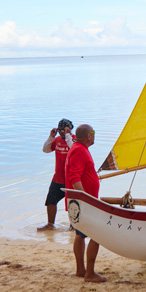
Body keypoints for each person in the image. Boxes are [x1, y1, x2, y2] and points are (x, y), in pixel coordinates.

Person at [65, 123, 105, 283]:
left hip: (79, 201)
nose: (94, 135)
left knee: (80, 234)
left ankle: (81, 270)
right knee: (98, 233)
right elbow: (74, 177)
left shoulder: (78, 148)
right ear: (89, 136)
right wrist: (86, 200)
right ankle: (89, 273)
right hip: (83, 202)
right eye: (93, 133)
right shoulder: (79, 150)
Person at [38, 118, 74, 231]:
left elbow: (73, 149)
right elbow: (46, 150)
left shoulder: (74, 140)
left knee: (72, 204)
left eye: (63, 130)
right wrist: (51, 137)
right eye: (60, 131)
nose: (61, 133)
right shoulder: (57, 139)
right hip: (57, 178)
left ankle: (74, 226)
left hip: (71, 179)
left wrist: (68, 135)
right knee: (50, 201)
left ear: (69, 129)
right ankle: (50, 224)